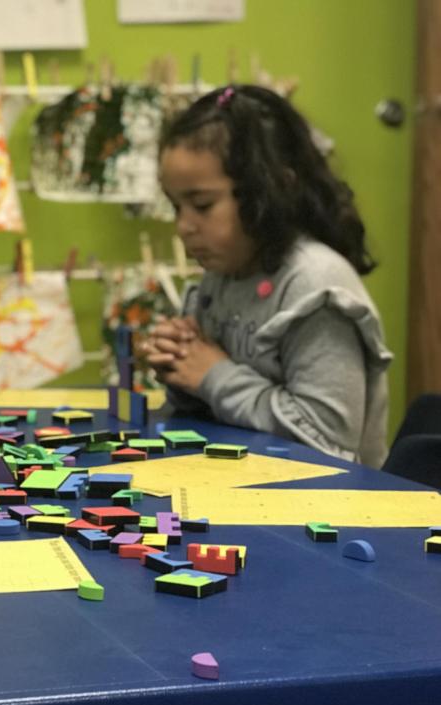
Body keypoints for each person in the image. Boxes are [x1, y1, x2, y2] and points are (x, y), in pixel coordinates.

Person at [144, 84, 391, 467]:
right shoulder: (221, 276)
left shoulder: (316, 284)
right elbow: (220, 411)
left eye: (202, 205)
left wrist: (212, 375)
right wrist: (181, 369)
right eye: (177, 206)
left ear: (274, 188)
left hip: (334, 509)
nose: (183, 227)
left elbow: (329, 443)